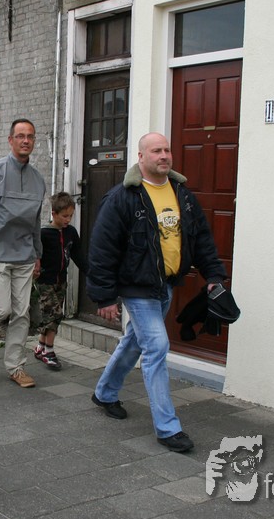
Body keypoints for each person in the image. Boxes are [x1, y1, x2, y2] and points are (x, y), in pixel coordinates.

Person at [86, 132, 226, 454]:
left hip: (166, 285)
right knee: (157, 347)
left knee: (135, 341)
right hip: (137, 288)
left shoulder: (181, 193)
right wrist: (104, 297)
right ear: (141, 157)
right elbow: (103, 249)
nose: (164, 155)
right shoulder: (122, 197)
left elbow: (201, 238)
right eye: (156, 151)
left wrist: (214, 275)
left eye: (166, 150)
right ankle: (168, 428)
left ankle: (105, 393)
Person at [0, 118, 47, 388]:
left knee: (22, 313)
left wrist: (37, 253)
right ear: (10, 140)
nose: (26, 141)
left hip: (25, 256)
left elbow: (36, 222)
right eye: (21, 136)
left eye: (30, 136)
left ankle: (16, 367)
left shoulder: (38, 180)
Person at [30, 192, 87, 371]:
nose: (68, 220)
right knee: (55, 314)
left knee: (51, 316)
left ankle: (40, 347)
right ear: (54, 214)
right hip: (45, 281)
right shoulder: (44, 234)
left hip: (61, 281)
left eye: (70, 216)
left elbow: (78, 255)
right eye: (64, 216)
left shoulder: (71, 232)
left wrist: (92, 273)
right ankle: (49, 352)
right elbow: (35, 256)